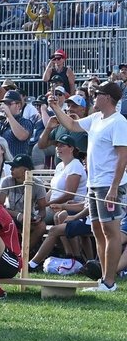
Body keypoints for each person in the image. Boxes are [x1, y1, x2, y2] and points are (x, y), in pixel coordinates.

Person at [47, 80, 127, 292]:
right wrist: (55, 107)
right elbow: (72, 125)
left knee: (111, 232)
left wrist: (113, 188)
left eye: (98, 93)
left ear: (108, 98)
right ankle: (104, 279)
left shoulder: (118, 122)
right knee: (98, 232)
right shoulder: (96, 118)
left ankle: (109, 282)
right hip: (94, 185)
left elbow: (122, 157)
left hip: (107, 185)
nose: (94, 96)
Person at [0, 88, 39, 158]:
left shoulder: (25, 122)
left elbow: (22, 136)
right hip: (0, 164)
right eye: (4, 103)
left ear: (18, 105)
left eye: (8, 103)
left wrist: (9, 115)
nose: (5, 106)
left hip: (16, 164)